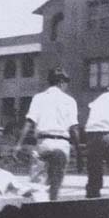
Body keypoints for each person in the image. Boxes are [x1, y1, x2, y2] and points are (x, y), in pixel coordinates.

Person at [15, 68, 81, 200]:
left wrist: (18, 145)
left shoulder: (38, 98)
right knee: (55, 186)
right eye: (66, 83)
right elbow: (74, 128)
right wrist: (79, 152)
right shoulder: (69, 100)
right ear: (61, 82)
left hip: (43, 143)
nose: (66, 86)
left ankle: (38, 214)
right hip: (62, 144)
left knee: (37, 185)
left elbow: (29, 122)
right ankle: (52, 212)